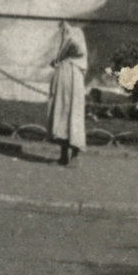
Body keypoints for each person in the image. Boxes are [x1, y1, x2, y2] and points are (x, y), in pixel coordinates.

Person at [47, 20, 88, 166]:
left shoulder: (75, 34)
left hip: (72, 77)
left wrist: (59, 57)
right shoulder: (68, 35)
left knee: (74, 113)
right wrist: (58, 59)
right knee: (61, 112)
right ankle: (63, 155)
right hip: (63, 75)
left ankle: (75, 154)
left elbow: (75, 44)